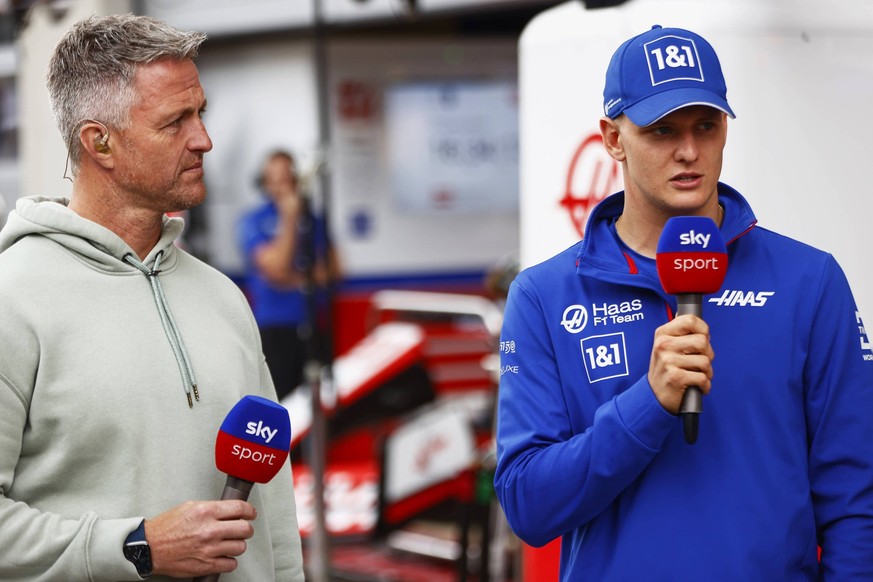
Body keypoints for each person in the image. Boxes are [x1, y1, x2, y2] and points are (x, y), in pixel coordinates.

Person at [493, 25, 873, 580]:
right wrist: (648, 403)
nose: (689, 151)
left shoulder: (809, 280)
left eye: (705, 125)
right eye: (662, 130)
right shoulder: (543, 295)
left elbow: (856, 498)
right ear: (613, 138)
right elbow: (528, 506)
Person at [0, 14, 304, 581]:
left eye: (201, 113)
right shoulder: (12, 300)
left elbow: (275, 519)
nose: (204, 140)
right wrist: (136, 546)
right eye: (175, 122)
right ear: (100, 143)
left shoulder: (224, 299)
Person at [238, 150, 340, 401]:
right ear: (265, 182)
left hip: (315, 325)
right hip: (275, 329)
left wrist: (295, 279)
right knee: (281, 404)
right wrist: (289, 218)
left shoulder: (314, 219)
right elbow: (277, 269)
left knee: (320, 400)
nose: (283, 185)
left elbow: (333, 271)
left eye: (288, 177)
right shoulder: (253, 220)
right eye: (275, 178)